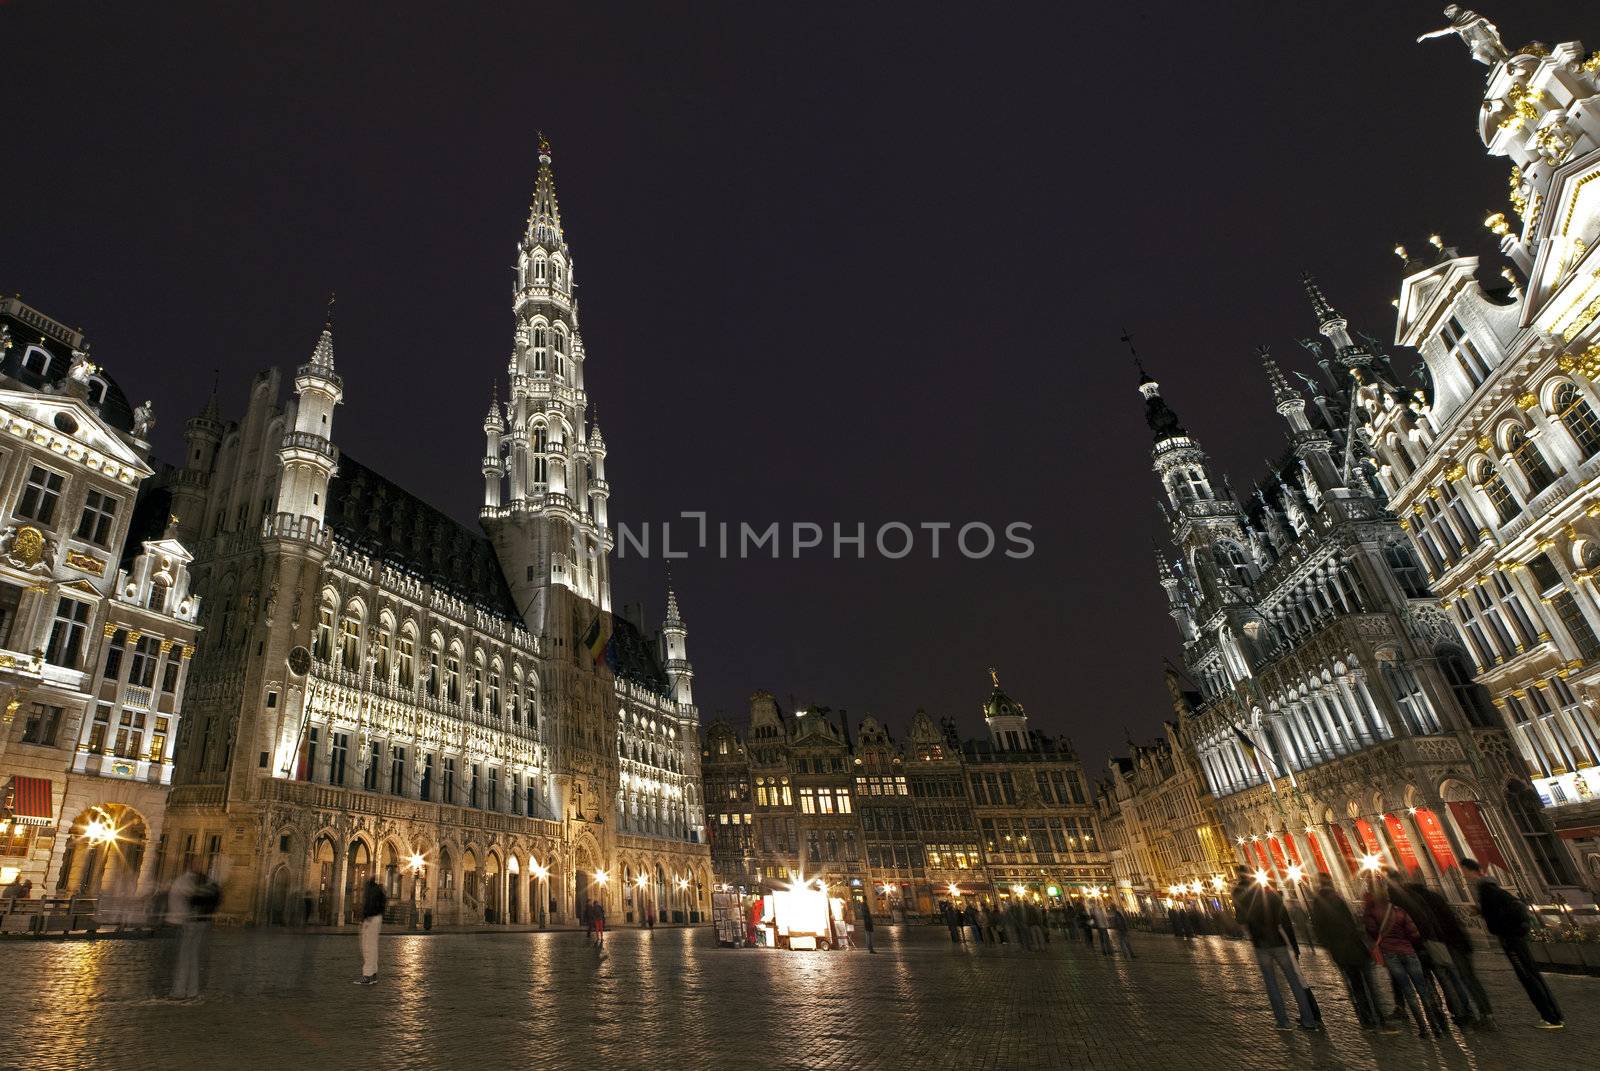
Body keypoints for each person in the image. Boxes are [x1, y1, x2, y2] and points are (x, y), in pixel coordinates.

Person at [1463, 858, 1563, 1029]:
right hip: (1516, 937)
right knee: (1533, 974)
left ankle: (1550, 1017)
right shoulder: (1494, 888)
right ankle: (1555, 1014)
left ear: (1471, 871)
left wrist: (1485, 916)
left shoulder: (1485, 891)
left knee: (1527, 977)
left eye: (1464, 871)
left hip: (1510, 939)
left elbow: (1495, 917)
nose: (1465, 876)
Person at [1233, 866, 1320, 1032]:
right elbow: (1282, 918)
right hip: (1278, 940)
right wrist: (1292, 944)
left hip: (1261, 943)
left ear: (1238, 877)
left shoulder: (1239, 894)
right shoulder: (1267, 893)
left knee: (1271, 982)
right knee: (1294, 980)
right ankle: (1309, 1020)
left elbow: (1240, 919)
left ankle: (1282, 1021)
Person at [1309, 874, 1393, 1031]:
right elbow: (1352, 925)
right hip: (1355, 949)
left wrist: (1331, 947)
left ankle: (1366, 1020)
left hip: (1340, 952)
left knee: (1356, 987)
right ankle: (1379, 1019)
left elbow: (1319, 931)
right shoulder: (1337, 900)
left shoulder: (1317, 904)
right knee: (1370, 986)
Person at [1362, 880, 1445, 1038]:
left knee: (1408, 992)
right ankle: (1436, 1026)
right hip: (1408, 951)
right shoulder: (1398, 910)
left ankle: (1423, 1029)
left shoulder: (1372, 913)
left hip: (1390, 954)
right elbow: (1414, 933)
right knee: (1422, 989)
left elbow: (1371, 932)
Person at [1400, 877, 1482, 1026]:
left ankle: (1452, 1013)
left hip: (1429, 944)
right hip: (1443, 942)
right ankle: (1465, 1011)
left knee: (1443, 980)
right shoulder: (1433, 898)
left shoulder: (1410, 905)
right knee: (1453, 978)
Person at [353, 877, 386, 985]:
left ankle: (367, 976)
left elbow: (369, 905)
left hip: (370, 919)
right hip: (377, 918)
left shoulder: (371, 890)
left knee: (367, 948)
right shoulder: (379, 890)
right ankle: (373, 974)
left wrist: (365, 917)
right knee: (373, 947)